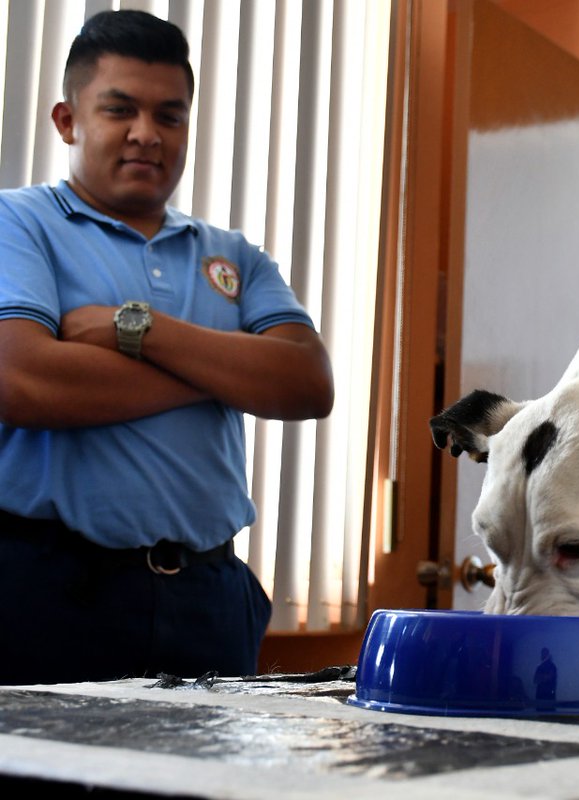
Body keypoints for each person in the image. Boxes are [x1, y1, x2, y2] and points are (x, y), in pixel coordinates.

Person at [0, 10, 333, 684]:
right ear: (67, 120)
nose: (147, 135)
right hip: (51, 589)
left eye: (170, 116)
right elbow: (24, 380)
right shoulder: (18, 221)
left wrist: (141, 331)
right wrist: (230, 366)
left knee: (201, 792)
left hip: (210, 596)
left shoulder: (233, 254)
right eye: (119, 110)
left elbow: (306, 384)